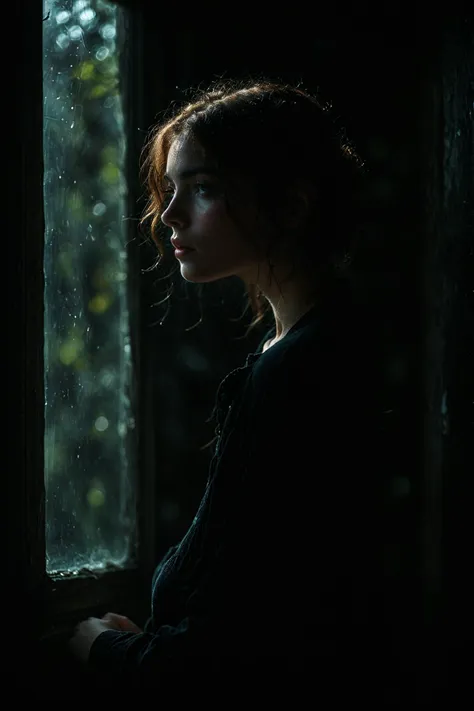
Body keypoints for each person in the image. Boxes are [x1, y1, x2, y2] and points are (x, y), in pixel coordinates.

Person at [69, 78, 394, 693]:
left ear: (291, 205)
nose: (170, 214)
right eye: (171, 190)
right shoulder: (304, 351)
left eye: (204, 189)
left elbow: (249, 645)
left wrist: (108, 653)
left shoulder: (301, 375)